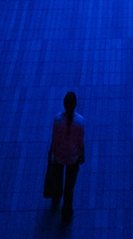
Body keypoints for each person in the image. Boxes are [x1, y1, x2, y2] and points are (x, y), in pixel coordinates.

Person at [46, 91, 85, 223]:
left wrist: (51, 152)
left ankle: (56, 196)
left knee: (58, 179)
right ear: (75, 105)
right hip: (73, 158)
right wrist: (82, 154)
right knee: (70, 186)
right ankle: (67, 211)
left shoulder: (57, 120)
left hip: (59, 156)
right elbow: (80, 141)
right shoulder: (80, 121)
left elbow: (54, 139)